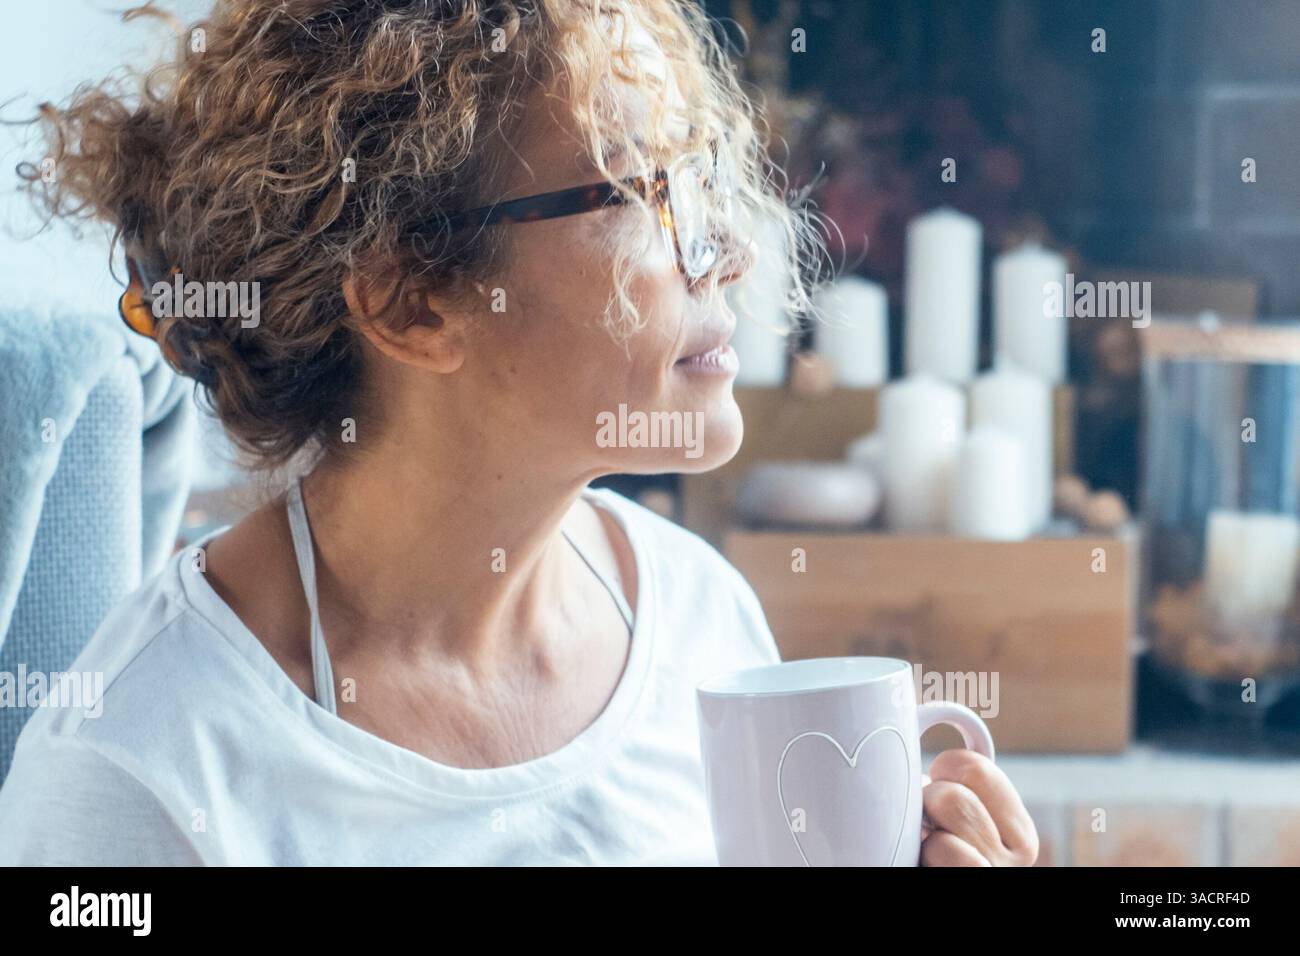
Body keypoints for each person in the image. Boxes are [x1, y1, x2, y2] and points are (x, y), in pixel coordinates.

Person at [0, 0, 1037, 866]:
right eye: (640, 193)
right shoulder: (136, 772)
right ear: (412, 300)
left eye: (699, 178)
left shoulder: (700, 620)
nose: (724, 249)